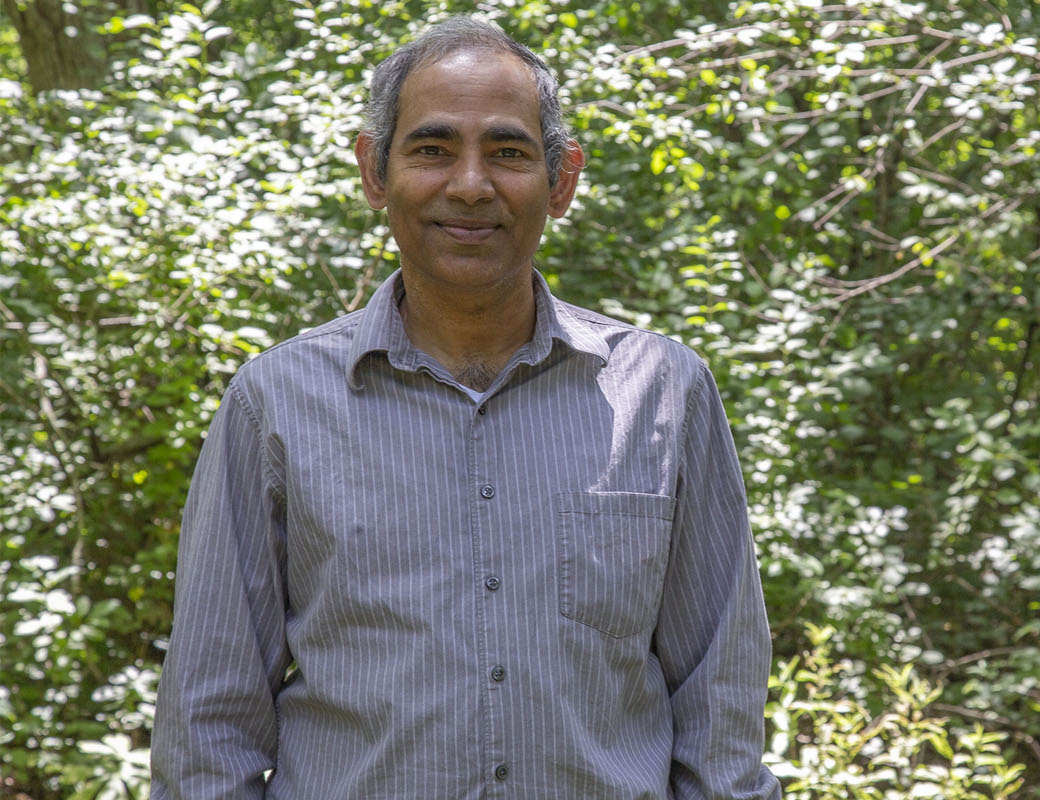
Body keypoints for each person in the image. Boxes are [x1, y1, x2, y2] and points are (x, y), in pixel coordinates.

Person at [150, 15, 781, 799]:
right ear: (374, 172)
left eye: (509, 152)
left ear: (563, 180)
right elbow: (210, 723)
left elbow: (720, 708)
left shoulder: (663, 392)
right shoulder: (274, 404)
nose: (471, 184)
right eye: (432, 148)